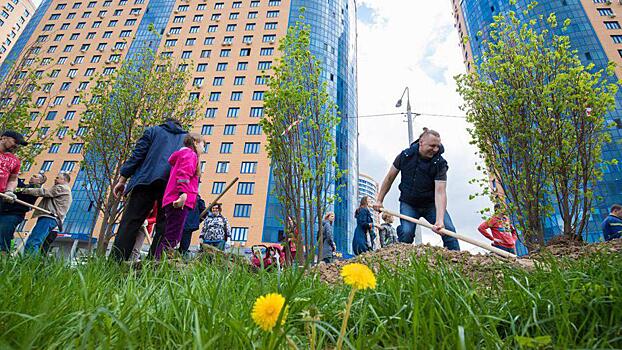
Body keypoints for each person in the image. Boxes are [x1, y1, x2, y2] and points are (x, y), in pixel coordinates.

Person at [110, 118, 188, 261]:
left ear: (165, 123)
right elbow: (189, 165)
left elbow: (137, 156)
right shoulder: (187, 139)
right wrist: (185, 191)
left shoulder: (152, 131)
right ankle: (155, 264)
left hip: (145, 181)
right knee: (164, 226)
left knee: (130, 222)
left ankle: (116, 263)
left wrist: (123, 179)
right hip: (171, 185)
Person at [374, 128, 460, 251]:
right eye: (432, 146)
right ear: (421, 142)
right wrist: (379, 200)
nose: (435, 149)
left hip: (431, 205)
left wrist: (439, 220)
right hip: (409, 204)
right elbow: (389, 178)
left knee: (448, 231)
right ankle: (402, 262)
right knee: (406, 232)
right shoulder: (405, 155)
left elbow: (440, 192)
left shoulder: (440, 163)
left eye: (437, 146)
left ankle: (458, 263)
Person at [154, 133, 202, 259]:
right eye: (203, 144)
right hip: (179, 200)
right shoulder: (190, 154)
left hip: (174, 198)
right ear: (196, 143)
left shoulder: (181, 155)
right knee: (172, 236)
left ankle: (159, 260)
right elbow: (184, 173)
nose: (203, 148)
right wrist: (183, 194)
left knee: (171, 233)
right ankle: (158, 263)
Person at [22, 173, 72, 254]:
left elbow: (45, 192)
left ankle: (29, 264)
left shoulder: (61, 188)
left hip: (49, 217)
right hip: (50, 218)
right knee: (37, 242)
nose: (55, 179)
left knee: (33, 241)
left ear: (64, 180)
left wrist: (24, 190)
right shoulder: (64, 190)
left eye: (57, 178)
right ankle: (32, 263)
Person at [0, 173, 47, 253]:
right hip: (4, 211)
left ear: (40, 182)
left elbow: (20, 190)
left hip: (13, 214)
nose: (32, 177)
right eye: (32, 175)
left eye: (35, 176)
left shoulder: (34, 189)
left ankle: (4, 256)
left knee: (4, 235)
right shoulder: (24, 186)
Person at [0, 131, 28, 203]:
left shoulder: (16, 161)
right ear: (3, 138)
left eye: (18, 144)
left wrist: (9, 191)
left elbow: (13, 179)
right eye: (15, 142)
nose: (16, 145)